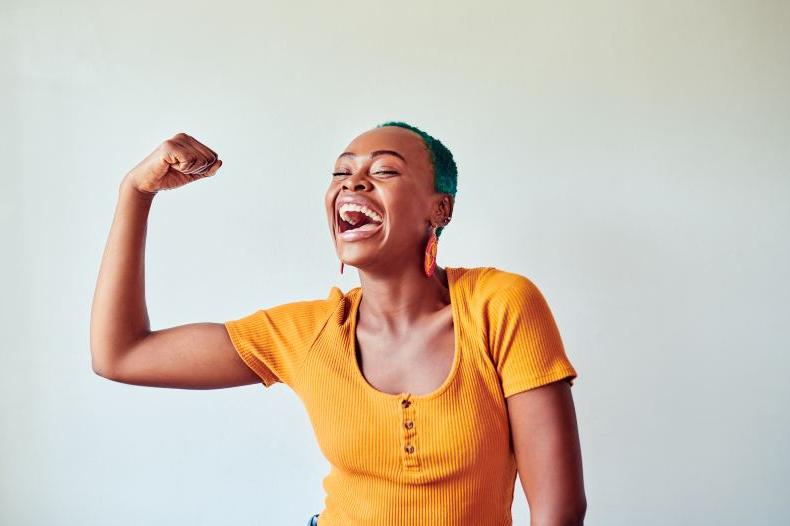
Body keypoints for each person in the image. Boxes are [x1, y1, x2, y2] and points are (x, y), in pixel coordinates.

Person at [90, 122, 587, 525]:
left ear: (440, 209)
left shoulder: (500, 305)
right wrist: (136, 192)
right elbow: (120, 355)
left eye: (386, 171)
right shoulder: (306, 334)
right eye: (341, 173)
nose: (353, 182)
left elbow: (558, 511)